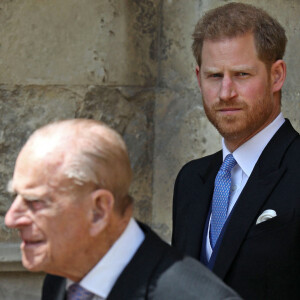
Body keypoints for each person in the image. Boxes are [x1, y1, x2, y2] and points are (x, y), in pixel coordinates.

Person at [5, 119, 240, 300]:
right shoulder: (60, 278)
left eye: (34, 201)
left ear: (98, 211)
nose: (11, 218)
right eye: (16, 196)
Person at [172, 2, 300, 300]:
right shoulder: (191, 180)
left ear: (276, 76)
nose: (226, 92)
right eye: (214, 76)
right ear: (198, 77)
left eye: (242, 75)